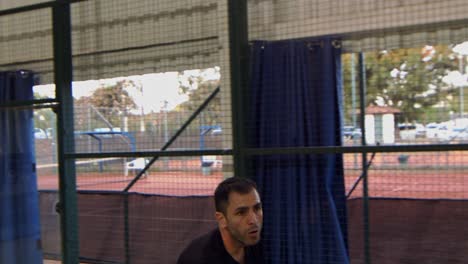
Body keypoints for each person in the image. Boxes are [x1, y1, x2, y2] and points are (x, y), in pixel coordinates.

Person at [177, 177, 264, 264]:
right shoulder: (198, 259)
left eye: (257, 208)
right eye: (241, 213)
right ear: (222, 219)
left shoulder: (252, 241)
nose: (254, 220)